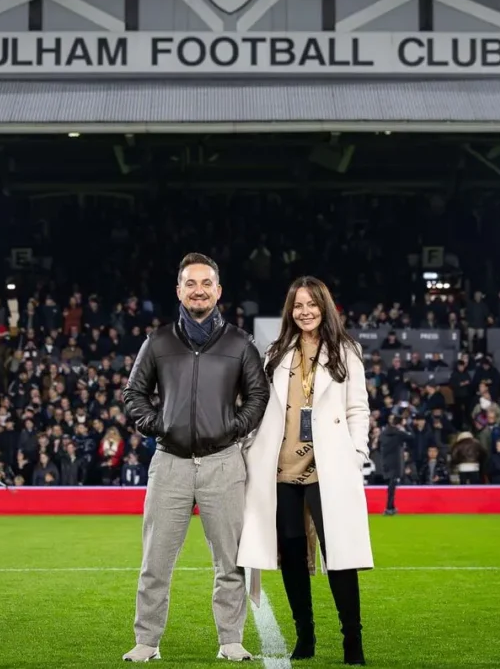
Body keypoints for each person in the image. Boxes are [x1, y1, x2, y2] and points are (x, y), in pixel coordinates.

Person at [122, 253, 270, 663]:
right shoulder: (158, 341)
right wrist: (157, 424)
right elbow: (133, 393)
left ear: (218, 291)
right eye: (191, 283)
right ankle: (146, 642)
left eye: (206, 283)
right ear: (179, 290)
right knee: (155, 562)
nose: (199, 290)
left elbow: (259, 395)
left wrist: (234, 428)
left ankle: (231, 640)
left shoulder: (240, 343)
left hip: (224, 462)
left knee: (231, 563)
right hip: (169, 462)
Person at [237, 276, 372, 666]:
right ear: (290, 311)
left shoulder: (347, 351)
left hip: (328, 468)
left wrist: (357, 452)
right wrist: (250, 448)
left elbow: (357, 409)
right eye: (298, 305)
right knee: (293, 556)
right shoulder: (276, 353)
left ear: (324, 307)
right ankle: (305, 634)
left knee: (340, 556)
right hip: (281, 469)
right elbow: (260, 407)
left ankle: (353, 641)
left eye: (312, 304)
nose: (305, 311)